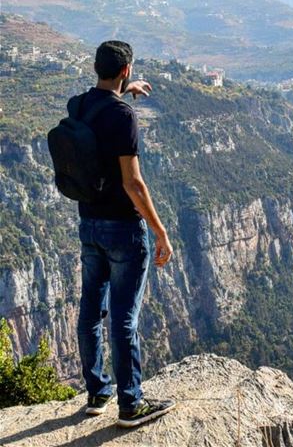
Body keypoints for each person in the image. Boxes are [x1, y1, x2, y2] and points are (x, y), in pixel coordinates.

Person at [74, 40, 176, 428]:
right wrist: (160, 231)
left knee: (90, 311)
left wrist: (122, 96)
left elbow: (100, 123)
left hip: (89, 224)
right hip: (123, 231)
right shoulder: (125, 118)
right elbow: (133, 183)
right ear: (126, 70)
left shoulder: (80, 105)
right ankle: (130, 404)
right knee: (124, 318)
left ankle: (97, 391)